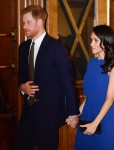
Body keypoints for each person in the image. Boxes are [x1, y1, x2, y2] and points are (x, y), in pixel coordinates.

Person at [16, 5, 79, 150]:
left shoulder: (57, 48)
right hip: (28, 114)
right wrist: (22, 87)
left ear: (40, 22)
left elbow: (67, 83)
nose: (24, 26)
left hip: (49, 115)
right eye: (23, 22)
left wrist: (74, 112)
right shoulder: (23, 48)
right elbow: (21, 78)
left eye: (28, 22)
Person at [75, 25, 114, 150]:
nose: (91, 43)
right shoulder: (91, 63)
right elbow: (89, 95)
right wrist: (76, 113)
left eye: (95, 40)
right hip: (87, 115)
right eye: (91, 39)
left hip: (106, 120)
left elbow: (110, 98)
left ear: (106, 42)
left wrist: (95, 124)